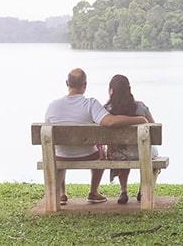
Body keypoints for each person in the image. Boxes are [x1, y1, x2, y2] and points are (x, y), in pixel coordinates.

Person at [44, 68, 148, 205]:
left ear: (67, 83)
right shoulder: (91, 104)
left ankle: (62, 193)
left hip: (59, 156)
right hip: (86, 155)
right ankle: (93, 192)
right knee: (101, 150)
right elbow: (110, 121)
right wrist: (140, 119)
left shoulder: (53, 106)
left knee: (59, 149)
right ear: (85, 85)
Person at [104, 74, 158, 205]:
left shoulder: (106, 111)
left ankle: (123, 190)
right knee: (153, 154)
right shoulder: (141, 107)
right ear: (129, 89)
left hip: (117, 155)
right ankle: (143, 189)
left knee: (121, 151)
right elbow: (154, 131)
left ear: (111, 90)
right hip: (140, 153)